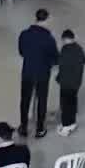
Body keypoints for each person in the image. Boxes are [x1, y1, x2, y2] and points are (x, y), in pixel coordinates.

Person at [17, 8, 59, 138]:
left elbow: (21, 52)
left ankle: (24, 127)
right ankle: (40, 128)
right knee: (41, 100)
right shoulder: (49, 39)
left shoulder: (24, 34)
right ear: (45, 20)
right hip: (42, 74)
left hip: (27, 71)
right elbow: (55, 58)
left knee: (25, 100)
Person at [57, 29, 85, 137]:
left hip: (66, 82)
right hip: (76, 82)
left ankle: (66, 126)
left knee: (65, 105)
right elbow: (84, 60)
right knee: (72, 102)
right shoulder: (79, 48)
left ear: (64, 39)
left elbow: (61, 64)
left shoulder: (65, 50)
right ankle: (72, 123)